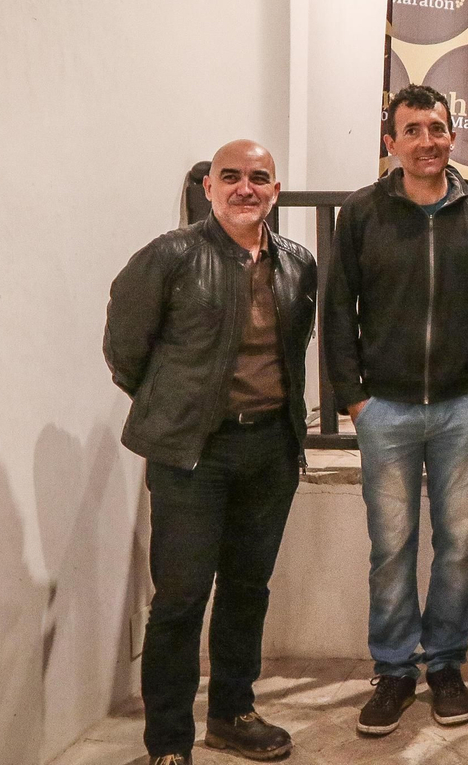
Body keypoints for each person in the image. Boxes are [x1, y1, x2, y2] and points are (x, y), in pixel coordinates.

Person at [104, 140, 317, 765]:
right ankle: (169, 741)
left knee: (248, 587)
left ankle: (232, 714)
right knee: (180, 597)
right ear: (209, 188)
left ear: (275, 190)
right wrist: (178, 407)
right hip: (193, 453)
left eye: (259, 178)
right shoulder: (169, 257)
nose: (245, 188)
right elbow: (126, 349)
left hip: (270, 449)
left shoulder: (297, 264)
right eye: (232, 177)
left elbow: (294, 348)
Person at [323, 84, 468, 737]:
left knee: (457, 545)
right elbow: (337, 311)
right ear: (391, 143)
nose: (427, 141)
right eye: (413, 130)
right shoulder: (361, 214)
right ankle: (393, 669)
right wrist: (354, 397)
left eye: (437, 128)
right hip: (387, 412)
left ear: (452, 135)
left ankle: (445, 664)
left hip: (463, 407)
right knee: (392, 547)